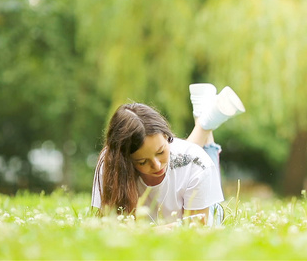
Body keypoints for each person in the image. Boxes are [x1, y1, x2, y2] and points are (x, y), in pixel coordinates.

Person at [91, 83, 245, 226]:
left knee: (197, 164)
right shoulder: (111, 164)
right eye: (143, 161)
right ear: (126, 160)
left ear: (167, 136)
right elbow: (107, 226)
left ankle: (204, 122)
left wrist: (150, 233)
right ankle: (205, 120)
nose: (156, 165)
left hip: (203, 202)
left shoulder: (195, 160)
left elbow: (197, 228)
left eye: (161, 152)